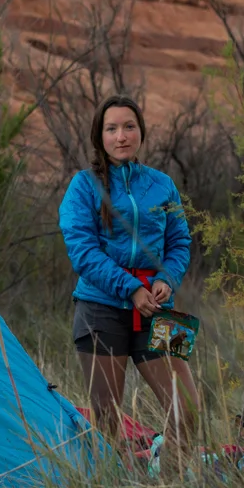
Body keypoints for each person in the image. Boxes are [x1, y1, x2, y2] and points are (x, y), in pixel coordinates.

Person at [58, 94, 196, 458]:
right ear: (99, 136)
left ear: (141, 132)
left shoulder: (162, 184)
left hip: (159, 306)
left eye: (129, 127)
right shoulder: (83, 186)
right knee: (106, 421)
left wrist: (168, 277)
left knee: (189, 409)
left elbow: (180, 240)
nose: (122, 136)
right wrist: (131, 288)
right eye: (112, 128)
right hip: (99, 309)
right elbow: (83, 253)